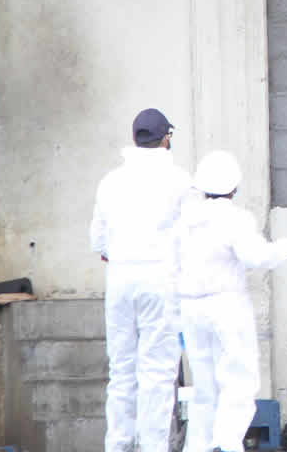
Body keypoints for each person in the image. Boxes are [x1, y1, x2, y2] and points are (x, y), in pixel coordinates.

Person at [175, 150, 287, 452]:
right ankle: (227, 445)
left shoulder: (185, 220)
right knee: (239, 383)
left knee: (205, 389)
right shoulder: (235, 218)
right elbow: (256, 256)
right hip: (226, 308)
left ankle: (199, 447)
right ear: (234, 187)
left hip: (190, 310)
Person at [91, 107, 193, 452]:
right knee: (158, 375)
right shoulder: (179, 180)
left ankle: (117, 446)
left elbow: (98, 243)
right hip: (160, 280)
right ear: (165, 139)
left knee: (121, 373)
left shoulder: (110, 182)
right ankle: (152, 447)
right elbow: (191, 237)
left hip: (120, 282)